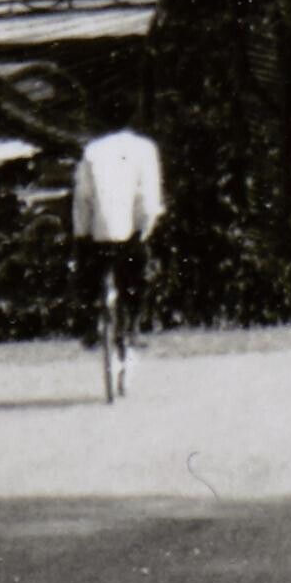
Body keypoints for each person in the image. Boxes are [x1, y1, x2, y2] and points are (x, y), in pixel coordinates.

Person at [68, 98, 167, 390]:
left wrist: (81, 234)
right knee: (137, 280)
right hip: (131, 235)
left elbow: (82, 198)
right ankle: (133, 327)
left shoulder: (92, 150)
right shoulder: (145, 149)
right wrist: (144, 229)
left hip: (98, 235)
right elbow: (148, 197)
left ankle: (90, 324)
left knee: (86, 276)